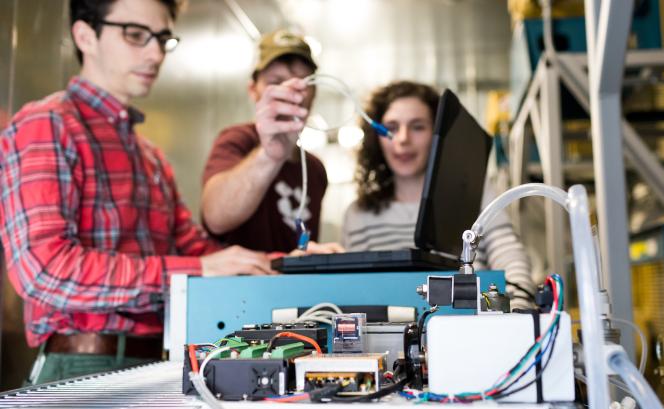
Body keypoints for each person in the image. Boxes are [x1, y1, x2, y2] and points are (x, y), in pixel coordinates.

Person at [0, 1, 273, 409]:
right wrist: (197, 269)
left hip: (159, 374)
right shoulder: (47, 124)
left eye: (163, 39)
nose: (155, 54)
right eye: (134, 34)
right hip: (81, 377)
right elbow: (45, 270)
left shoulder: (150, 156)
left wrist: (278, 264)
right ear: (85, 35)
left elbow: (194, 248)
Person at [342, 81, 535, 308]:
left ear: (437, 136)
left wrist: (519, 311)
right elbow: (356, 291)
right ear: (376, 138)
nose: (403, 139)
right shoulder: (358, 214)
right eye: (392, 127)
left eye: (418, 127)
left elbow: (508, 255)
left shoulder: (477, 194)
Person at [201, 29, 342, 255]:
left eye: (303, 83)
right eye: (276, 82)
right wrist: (269, 155)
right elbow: (216, 218)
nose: (290, 91)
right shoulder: (237, 140)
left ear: (313, 94)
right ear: (253, 91)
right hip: (244, 288)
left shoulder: (315, 170)